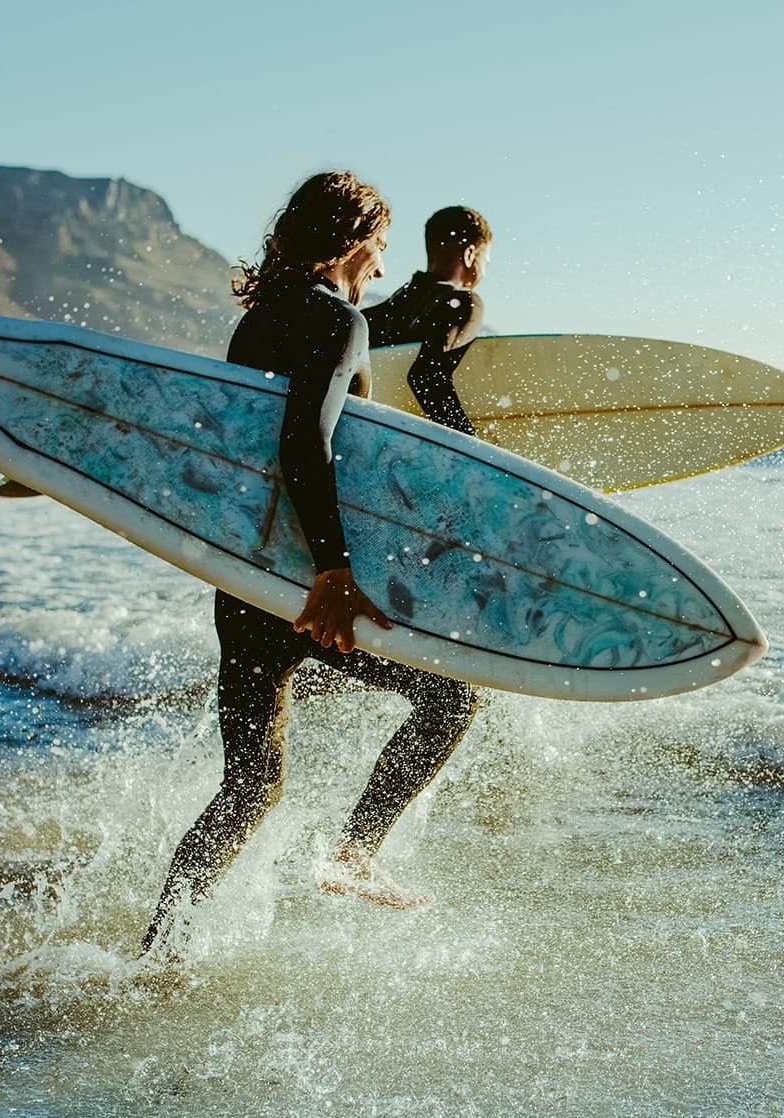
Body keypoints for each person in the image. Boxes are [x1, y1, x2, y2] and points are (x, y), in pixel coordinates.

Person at [140, 173, 478, 957]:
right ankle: (357, 852)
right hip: (307, 581)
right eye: (381, 249)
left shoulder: (260, 322)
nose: (383, 269)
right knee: (451, 700)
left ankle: (158, 953)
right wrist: (333, 572)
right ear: (355, 241)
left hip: (248, 578)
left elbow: (245, 447)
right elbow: (305, 441)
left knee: (250, 787)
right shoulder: (336, 321)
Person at [362, 205, 492, 435]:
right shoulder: (463, 302)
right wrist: (468, 443)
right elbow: (426, 376)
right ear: (470, 254)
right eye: (486, 262)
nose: (484, 272)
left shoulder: (376, 314)